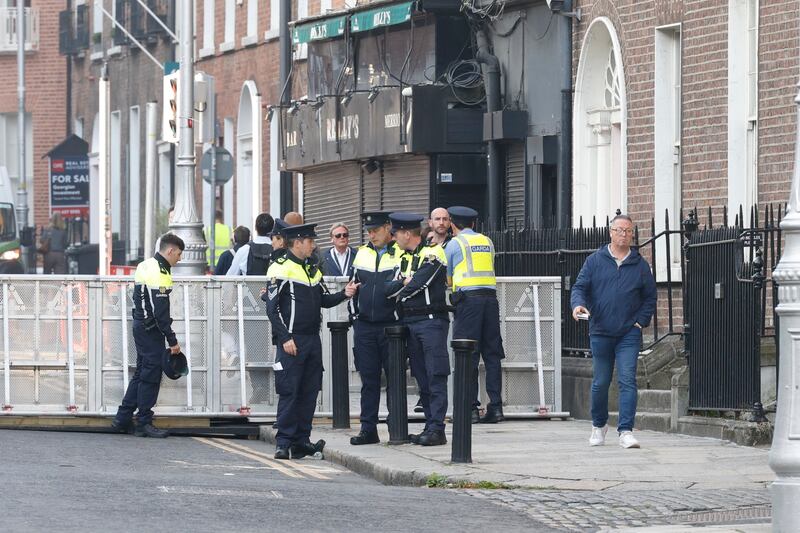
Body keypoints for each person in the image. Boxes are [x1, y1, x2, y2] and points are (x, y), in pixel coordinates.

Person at [266, 223, 359, 459]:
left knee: (309, 391)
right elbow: (271, 308)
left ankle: (301, 441)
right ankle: (284, 442)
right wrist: (285, 337)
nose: (313, 246)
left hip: (311, 339)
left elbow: (323, 301)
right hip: (292, 340)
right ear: (297, 242)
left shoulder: (312, 270)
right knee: (290, 391)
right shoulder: (280, 268)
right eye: (310, 241)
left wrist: (344, 294)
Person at [570, 214, 657, 449]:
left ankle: (626, 430)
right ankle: (598, 426)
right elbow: (580, 287)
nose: (624, 235)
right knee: (600, 382)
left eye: (628, 231)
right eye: (619, 230)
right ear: (610, 232)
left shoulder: (639, 264)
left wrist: (640, 322)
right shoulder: (595, 261)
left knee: (627, 379)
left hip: (629, 332)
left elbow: (650, 296)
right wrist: (577, 304)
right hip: (600, 330)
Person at [111, 233, 185, 438]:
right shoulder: (160, 272)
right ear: (170, 251)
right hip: (150, 328)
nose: (179, 259)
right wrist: (172, 341)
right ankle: (143, 421)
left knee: (142, 371)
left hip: (140, 325)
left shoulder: (145, 265)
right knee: (151, 375)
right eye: (178, 254)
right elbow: (160, 311)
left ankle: (122, 418)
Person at [386, 212, 450, 446]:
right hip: (411, 322)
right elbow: (388, 287)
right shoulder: (405, 258)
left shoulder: (433, 253)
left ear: (406, 233)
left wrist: (401, 287)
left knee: (435, 375)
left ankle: (437, 428)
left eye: (395, 234)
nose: (393, 239)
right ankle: (429, 425)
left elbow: (416, 285)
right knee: (421, 377)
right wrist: (400, 286)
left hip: (431, 321)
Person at [445, 206, 506, 424]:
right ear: (473, 223)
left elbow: (449, 279)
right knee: (492, 354)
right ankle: (496, 407)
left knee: (467, 354)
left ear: (453, 224)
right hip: (490, 301)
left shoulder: (455, 243)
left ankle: (469, 408)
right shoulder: (487, 241)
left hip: (468, 303)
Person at [348, 212, 402, 445]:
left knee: (394, 379)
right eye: (369, 230)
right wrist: (355, 316)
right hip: (365, 326)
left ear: (388, 228)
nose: (371, 234)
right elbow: (353, 286)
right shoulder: (361, 253)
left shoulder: (400, 253)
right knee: (369, 380)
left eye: (376, 230)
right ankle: (368, 429)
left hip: (391, 326)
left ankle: (396, 428)